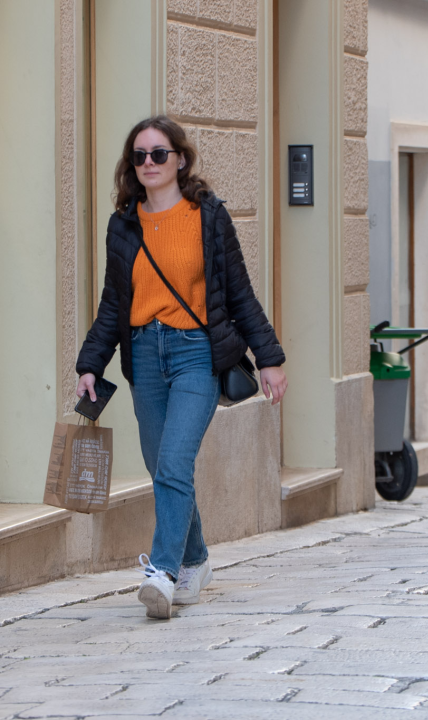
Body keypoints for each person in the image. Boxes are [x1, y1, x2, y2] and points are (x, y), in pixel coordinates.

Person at [75, 116, 287, 619]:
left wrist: (271, 359)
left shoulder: (208, 217)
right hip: (144, 356)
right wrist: (90, 362)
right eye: (139, 156)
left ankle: (163, 573)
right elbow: (113, 303)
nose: (148, 163)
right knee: (160, 466)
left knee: (173, 463)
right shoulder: (124, 225)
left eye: (158, 153)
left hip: (196, 354)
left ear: (180, 160)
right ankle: (195, 559)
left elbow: (239, 294)